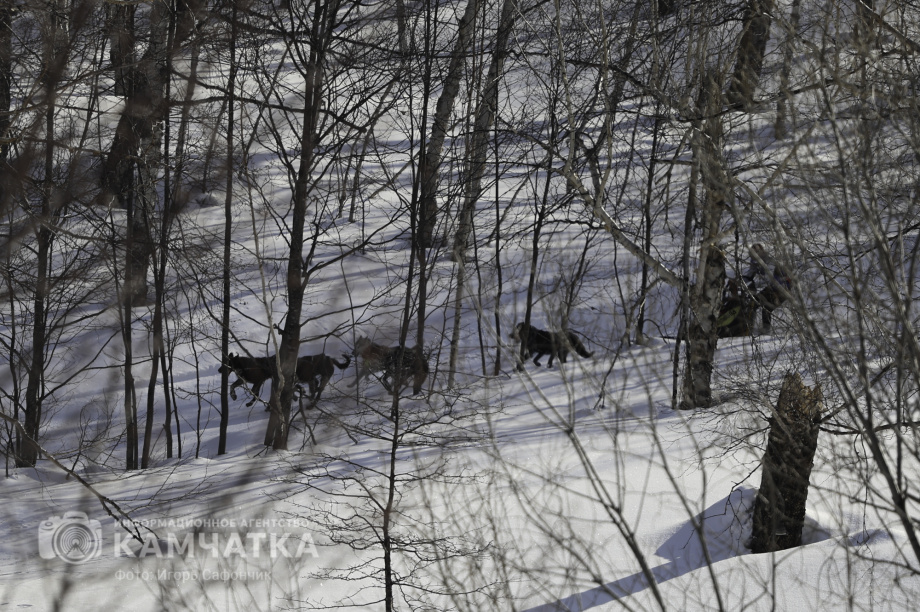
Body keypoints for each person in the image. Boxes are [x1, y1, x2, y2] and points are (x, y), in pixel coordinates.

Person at [742, 244, 791, 332]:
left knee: (767, 308)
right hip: (771, 288)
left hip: (782, 289)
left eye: (754, 254)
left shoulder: (769, 261)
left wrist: (757, 285)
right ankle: (748, 326)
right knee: (753, 302)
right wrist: (741, 282)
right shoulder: (754, 261)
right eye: (751, 255)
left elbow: (770, 279)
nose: (753, 257)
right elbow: (750, 274)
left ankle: (766, 330)